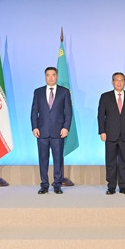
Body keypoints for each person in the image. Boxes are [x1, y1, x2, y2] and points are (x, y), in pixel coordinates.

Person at [31, 66, 72, 194]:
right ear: (45, 77)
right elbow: (34, 111)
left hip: (58, 131)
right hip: (42, 131)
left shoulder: (64, 92)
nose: (50, 77)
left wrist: (66, 127)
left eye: (53, 75)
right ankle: (44, 184)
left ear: (57, 76)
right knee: (43, 159)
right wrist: (34, 127)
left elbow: (68, 112)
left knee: (58, 159)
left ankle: (57, 185)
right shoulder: (38, 92)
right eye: (48, 75)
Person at [97, 72, 125, 195]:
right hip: (110, 134)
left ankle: (123, 186)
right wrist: (102, 131)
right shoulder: (105, 96)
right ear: (112, 82)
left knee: (124, 161)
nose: (119, 82)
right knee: (110, 161)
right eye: (117, 80)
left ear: (124, 82)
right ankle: (111, 186)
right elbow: (101, 116)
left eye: (121, 80)